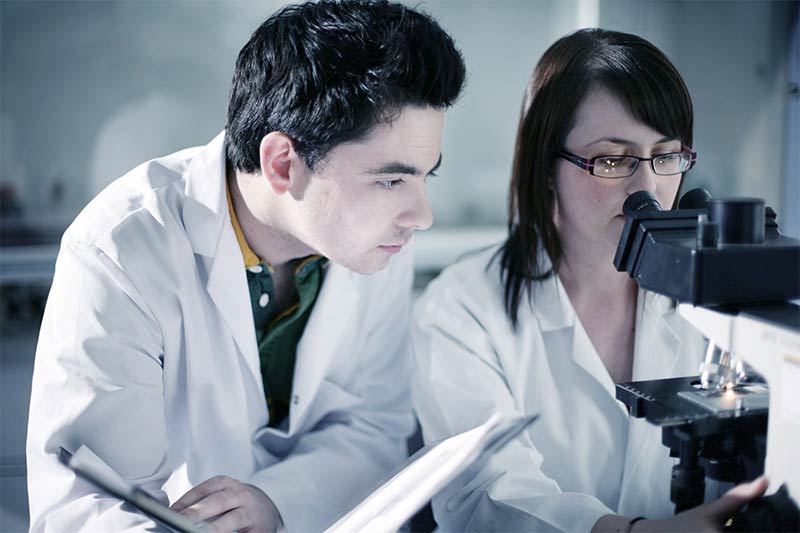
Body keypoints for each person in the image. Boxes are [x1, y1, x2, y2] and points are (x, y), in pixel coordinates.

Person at [26, 1, 465, 531]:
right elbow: (89, 504)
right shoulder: (122, 252)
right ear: (283, 163)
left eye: (426, 177)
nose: (421, 216)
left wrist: (273, 501)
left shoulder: (377, 241)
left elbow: (373, 427)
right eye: (391, 180)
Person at [411, 28, 767, 532]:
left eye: (666, 156)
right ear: (547, 166)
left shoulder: (720, 300)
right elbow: (483, 498)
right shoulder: (462, 308)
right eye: (612, 160)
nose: (648, 188)